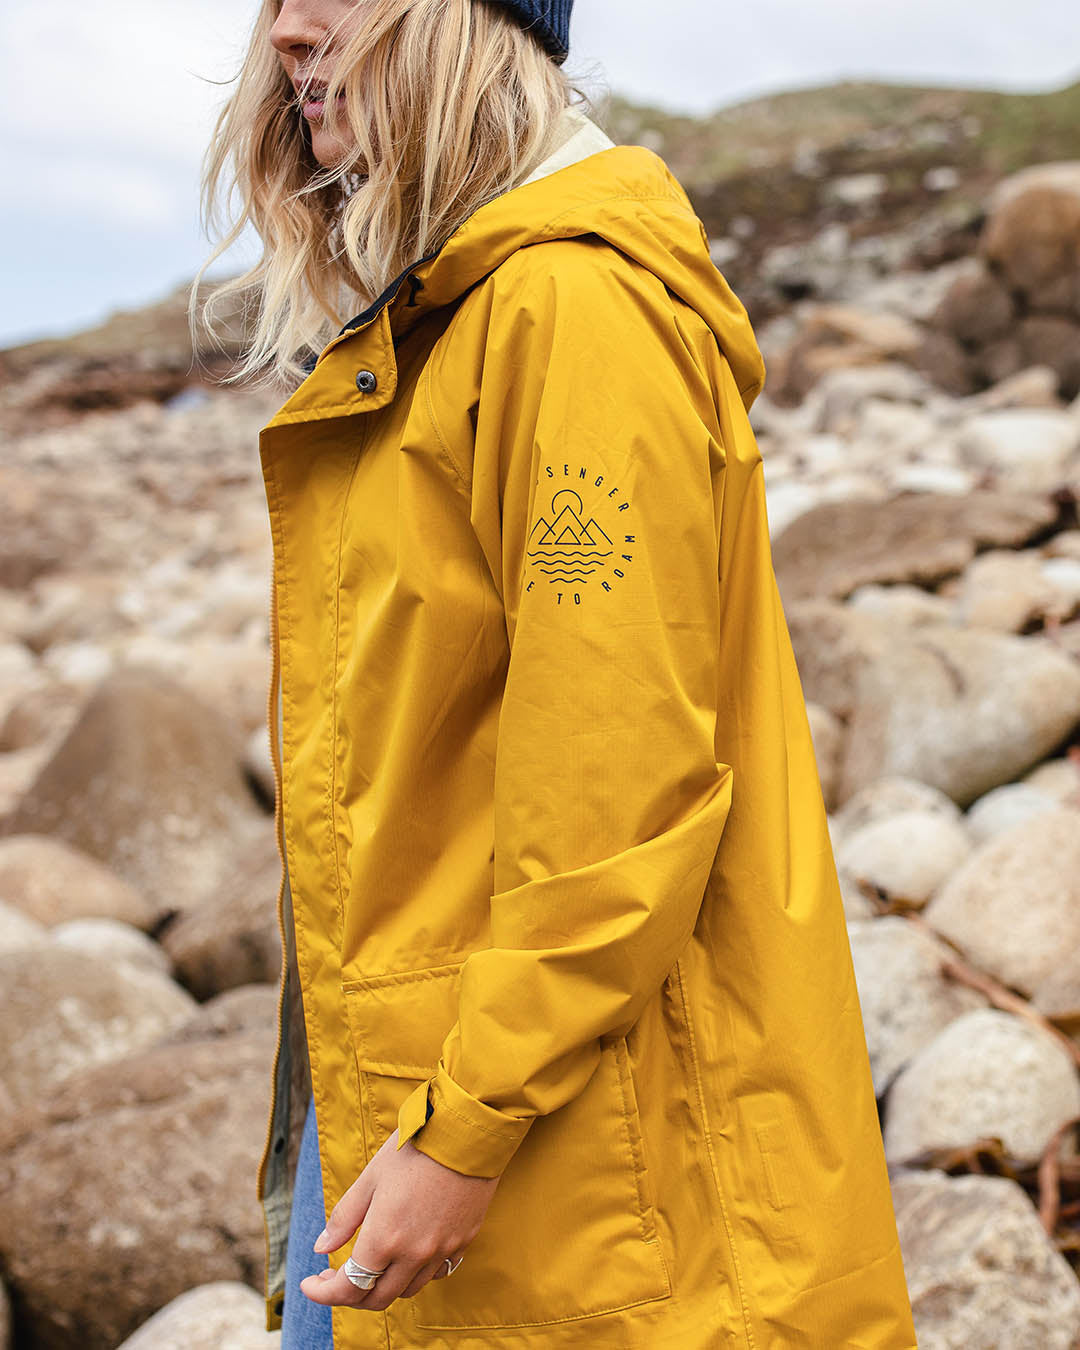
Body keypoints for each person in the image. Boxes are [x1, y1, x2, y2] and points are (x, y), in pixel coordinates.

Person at [195, 1, 919, 1347]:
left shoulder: (571, 307)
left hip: (537, 1134)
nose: (290, 28)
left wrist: (464, 1126)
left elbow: (617, 784)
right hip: (412, 1097)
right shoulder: (452, 315)